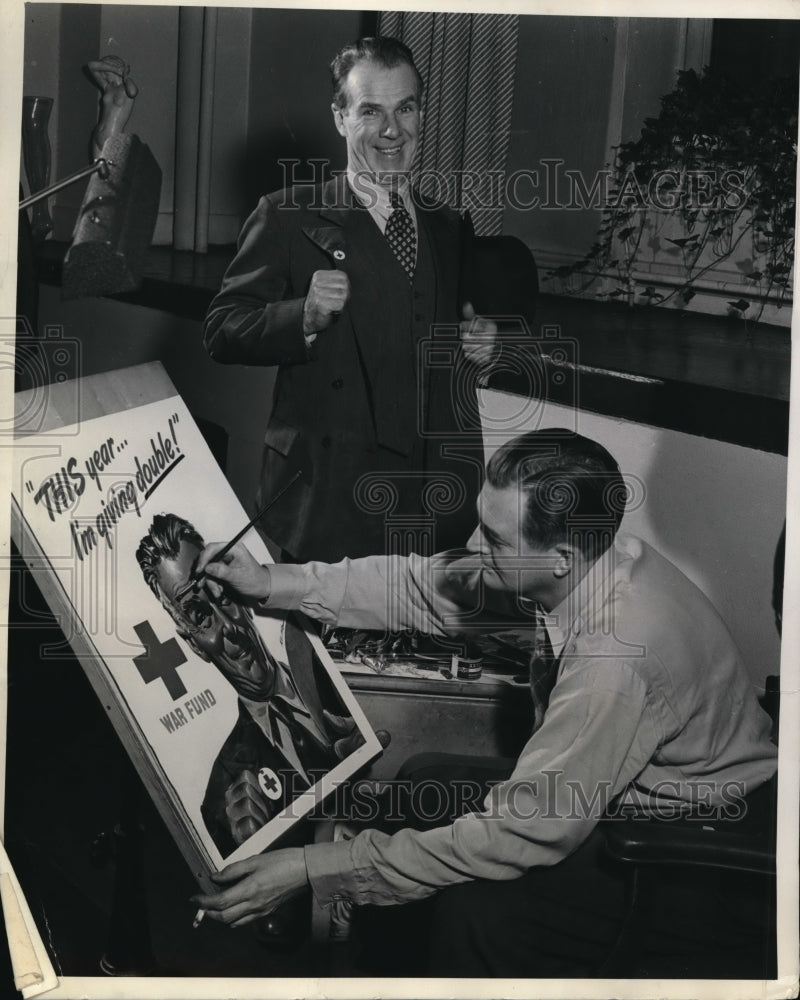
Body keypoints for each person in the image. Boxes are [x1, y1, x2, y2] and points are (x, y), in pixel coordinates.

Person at [189, 429, 778, 975]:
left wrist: (314, 871)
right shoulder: (588, 560)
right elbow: (421, 588)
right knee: (425, 781)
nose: (473, 545)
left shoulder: (613, 659)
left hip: (703, 855)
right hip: (635, 799)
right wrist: (273, 582)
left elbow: (524, 831)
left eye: (494, 539)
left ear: (559, 559)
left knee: (474, 915)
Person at [203, 36, 536, 563]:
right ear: (339, 118)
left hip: (432, 501)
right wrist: (304, 316)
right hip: (327, 498)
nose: (391, 130)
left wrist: (494, 345)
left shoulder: (450, 226)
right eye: (370, 111)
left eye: (405, 108)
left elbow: (486, 336)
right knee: (317, 645)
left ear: (421, 114)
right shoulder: (287, 215)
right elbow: (222, 330)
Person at [135, 513, 363, 858]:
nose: (229, 626)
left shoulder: (325, 667)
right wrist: (257, 848)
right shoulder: (222, 799)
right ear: (195, 644)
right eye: (200, 616)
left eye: (222, 595)